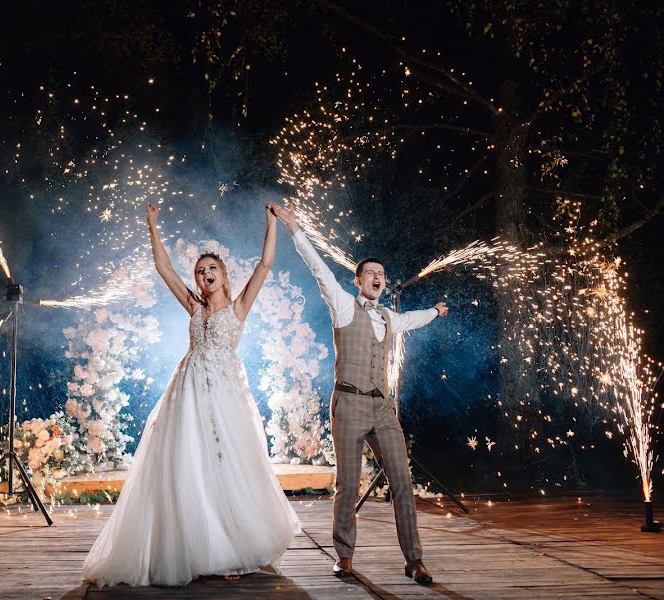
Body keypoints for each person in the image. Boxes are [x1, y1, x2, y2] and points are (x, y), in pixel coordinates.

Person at [83, 203, 301, 587]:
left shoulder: (238, 307)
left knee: (225, 462)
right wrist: (152, 225)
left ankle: (234, 547)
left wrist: (270, 223)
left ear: (223, 274)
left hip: (223, 395)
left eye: (210, 268)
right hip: (187, 393)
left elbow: (264, 266)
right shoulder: (193, 307)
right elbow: (164, 269)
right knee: (190, 464)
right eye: (200, 271)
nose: (204, 274)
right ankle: (196, 546)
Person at [272, 203, 447, 586]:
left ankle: (414, 560)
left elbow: (412, 320)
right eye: (370, 273)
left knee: (401, 480)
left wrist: (435, 310)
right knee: (347, 484)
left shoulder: (388, 318)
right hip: (348, 402)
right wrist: (294, 228)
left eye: (381, 274)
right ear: (357, 280)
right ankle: (345, 557)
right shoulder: (342, 305)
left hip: (382, 408)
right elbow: (318, 268)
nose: (377, 277)